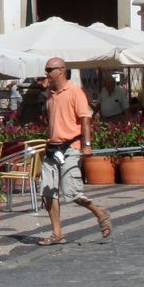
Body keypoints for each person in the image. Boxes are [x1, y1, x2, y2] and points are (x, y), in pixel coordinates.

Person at [39, 58, 111, 245]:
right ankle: (57, 233)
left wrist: (86, 144)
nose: (46, 73)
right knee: (48, 192)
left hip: (70, 146)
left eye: (50, 69)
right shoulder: (49, 95)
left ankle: (100, 213)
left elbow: (85, 119)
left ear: (61, 70)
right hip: (52, 148)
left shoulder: (75, 92)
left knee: (72, 193)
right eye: (46, 69)